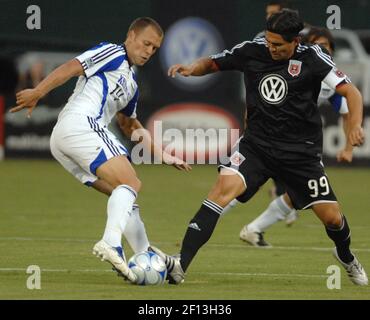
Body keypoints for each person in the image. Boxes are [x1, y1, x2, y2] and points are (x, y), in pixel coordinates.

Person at [152, 10, 368, 286]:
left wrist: (355, 126)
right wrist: (193, 68)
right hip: (257, 146)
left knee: (333, 219)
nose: (271, 48)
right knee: (221, 192)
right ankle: (180, 264)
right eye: (269, 42)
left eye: (278, 45)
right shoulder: (253, 50)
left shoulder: (313, 58)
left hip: (300, 153)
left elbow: (351, 92)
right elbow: (216, 62)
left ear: (294, 42)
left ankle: (346, 257)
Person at [10, 17, 191, 284]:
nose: (148, 51)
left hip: (64, 139)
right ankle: (110, 243)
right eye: (145, 43)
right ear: (131, 36)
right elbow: (72, 67)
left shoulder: (131, 83)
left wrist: (161, 153)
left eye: (154, 49)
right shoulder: (113, 53)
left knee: (124, 195)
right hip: (80, 125)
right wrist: (38, 91)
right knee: (130, 182)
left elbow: (129, 125)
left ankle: (149, 257)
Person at [227, 26, 355, 247]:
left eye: (326, 46)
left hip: (301, 145)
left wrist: (349, 147)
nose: (322, 49)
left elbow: (346, 111)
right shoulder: (292, 68)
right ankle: (214, 217)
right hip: (270, 138)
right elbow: (259, 97)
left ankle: (254, 228)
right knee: (240, 186)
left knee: (298, 194)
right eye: (317, 45)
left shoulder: (329, 80)